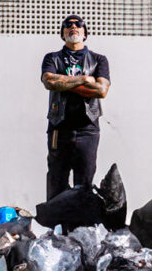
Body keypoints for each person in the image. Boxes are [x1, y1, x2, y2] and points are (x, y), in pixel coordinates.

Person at [41, 15, 110, 201]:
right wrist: (84, 80)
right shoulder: (52, 58)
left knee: (85, 181)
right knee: (57, 180)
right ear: (63, 34)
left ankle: (81, 228)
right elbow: (49, 82)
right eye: (68, 25)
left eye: (78, 24)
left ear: (85, 33)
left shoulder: (98, 60)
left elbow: (101, 90)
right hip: (59, 127)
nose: (73, 27)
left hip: (87, 129)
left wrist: (63, 81)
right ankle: (57, 229)